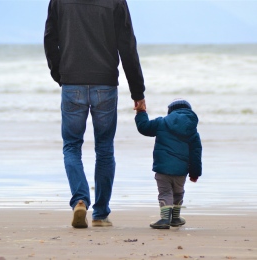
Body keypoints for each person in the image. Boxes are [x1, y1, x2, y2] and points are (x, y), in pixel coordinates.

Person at [44, 0, 146, 228]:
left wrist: (60, 74)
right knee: (105, 148)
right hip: (105, 84)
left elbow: (50, 40)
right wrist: (137, 91)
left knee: (72, 146)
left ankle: (80, 199)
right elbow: (127, 45)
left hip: (72, 83)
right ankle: (100, 214)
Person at [134, 98, 202, 229]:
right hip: (181, 171)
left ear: (170, 112)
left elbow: (144, 127)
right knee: (178, 193)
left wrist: (141, 112)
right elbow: (196, 153)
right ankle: (175, 218)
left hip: (163, 169)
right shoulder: (192, 130)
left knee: (165, 193)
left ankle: (165, 219)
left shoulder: (162, 123)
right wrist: (195, 173)